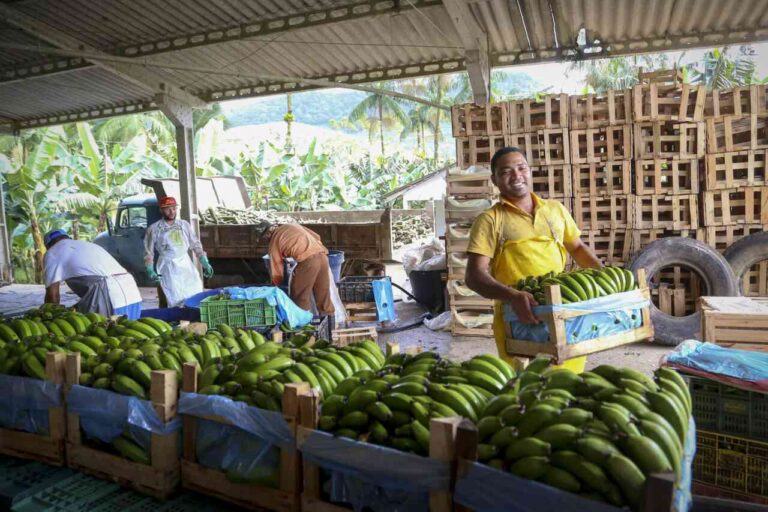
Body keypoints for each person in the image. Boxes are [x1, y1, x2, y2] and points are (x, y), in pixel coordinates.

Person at [464, 147, 602, 367]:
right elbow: (473, 275)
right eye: (506, 171)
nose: (517, 175)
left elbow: (577, 248)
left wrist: (605, 279)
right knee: (527, 389)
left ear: (529, 171)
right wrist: (512, 296)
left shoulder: (555, 209)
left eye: (521, 168)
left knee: (568, 384)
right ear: (495, 180)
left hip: (562, 310)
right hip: (519, 317)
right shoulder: (490, 220)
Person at [43, 229, 142, 318]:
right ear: (68, 238)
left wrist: (48, 318)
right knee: (129, 332)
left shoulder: (53, 252)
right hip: (131, 290)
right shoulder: (86, 245)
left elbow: (53, 296)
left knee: (101, 333)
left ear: (48, 246)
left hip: (106, 292)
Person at [144, 196, 214, 308]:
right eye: (168, 209)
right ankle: (173, 320)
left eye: (174, 208)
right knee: (172, 296)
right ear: (161, 210)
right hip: (167, 266)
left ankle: (191, 319)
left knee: (194, 292)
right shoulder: (154, 229)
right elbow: (149, 252)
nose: (172, 212)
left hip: (185, 264)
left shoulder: (184, 225)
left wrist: (204, 261)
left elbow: (195, 244)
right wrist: (150, 269)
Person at [257, 221, 335, 316]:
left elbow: (276, 269)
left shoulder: (274, 241)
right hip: (322, 256)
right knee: (323, 293)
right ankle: (329, 320)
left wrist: (277, 288)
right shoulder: (291, 225)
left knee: (299, 295)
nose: (265, 240)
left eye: (264, 238)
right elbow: (317, 237)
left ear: (267, 234)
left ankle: (303, 324)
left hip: (309, 261)